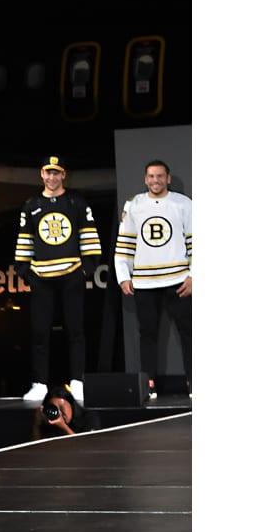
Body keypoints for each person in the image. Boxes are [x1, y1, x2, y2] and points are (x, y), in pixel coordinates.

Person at [14, 156, 102, 405]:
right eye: (48, 172)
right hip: (41, 278)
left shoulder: (76, 202)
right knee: (40, 332)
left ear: (64, 175)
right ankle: (40, 384)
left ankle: (78, 382)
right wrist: (26, 272)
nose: (52, 177)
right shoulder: (31, 205)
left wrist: (86, 270)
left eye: (57, 173)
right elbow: (24, 241)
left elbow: (90, 237)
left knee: (76, 331)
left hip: (71, 276)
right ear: (41, 174)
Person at [116, 159, 192, 387]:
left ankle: (194, 381)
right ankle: (148, 383)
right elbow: (125, 242)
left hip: (178, 280)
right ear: (145, 179)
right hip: (144, 283)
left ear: (168, 178)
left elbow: (195, 240)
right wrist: (123, 276)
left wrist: (194, 275)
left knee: (188, 333)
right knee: (147, 334)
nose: (155, 180)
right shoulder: (134, 205)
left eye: (160, 176)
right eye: (151, 176)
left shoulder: (183, 204)